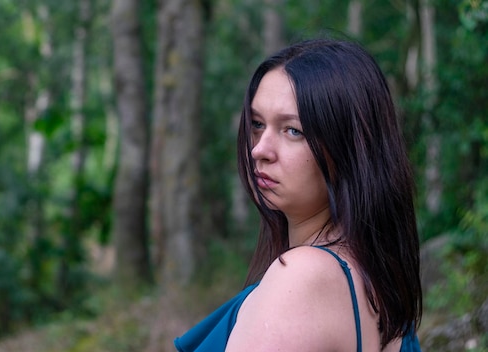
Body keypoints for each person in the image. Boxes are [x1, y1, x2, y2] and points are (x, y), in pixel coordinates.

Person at [174, 38, 422, 351]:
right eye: (257, 124)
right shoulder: (383, 290)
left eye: (293, 130)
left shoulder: (300, 280)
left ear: (349, 148)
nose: (260, 149)